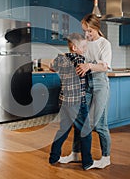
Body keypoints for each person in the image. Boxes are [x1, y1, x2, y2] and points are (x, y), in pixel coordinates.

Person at [59, 14, 112, 169]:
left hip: (100, 84)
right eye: (85, 31)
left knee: (100, 124)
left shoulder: (104, 44)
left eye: (89, 31)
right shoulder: (85, 43)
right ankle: (75, 153)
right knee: (80, 121)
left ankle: (106, 157)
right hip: (86, 84)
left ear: (96, 28)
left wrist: (89, 66)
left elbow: (104, 66)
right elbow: (78, 57)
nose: (87, 34)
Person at [49, 33, 101, 170]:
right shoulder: (80, 61)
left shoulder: (61, 58)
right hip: (77, 103)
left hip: (64, 101)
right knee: (86, 132)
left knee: (63, 129)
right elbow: (90, 72)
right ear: (74, 47)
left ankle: (53, 157)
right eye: (83, 46)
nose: (85, 49)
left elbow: (51, 66)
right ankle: (87, 162)